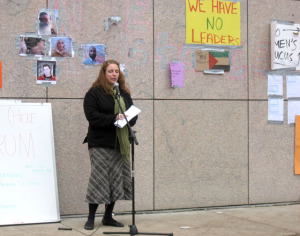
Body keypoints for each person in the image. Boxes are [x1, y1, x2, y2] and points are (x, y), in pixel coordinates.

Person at [83, 60, 138, 230]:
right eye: (110, 71)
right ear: (103, 73)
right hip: (99, 143)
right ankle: (91, 218)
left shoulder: (123, 93)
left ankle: (108, 217)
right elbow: (92, 116)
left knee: (116, 180)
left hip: (118, 144)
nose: (114, 74)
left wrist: (128, 118)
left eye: (116, 71)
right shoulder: (94, 93)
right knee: (99, 179)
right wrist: (114, 118)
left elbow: (133, 116)